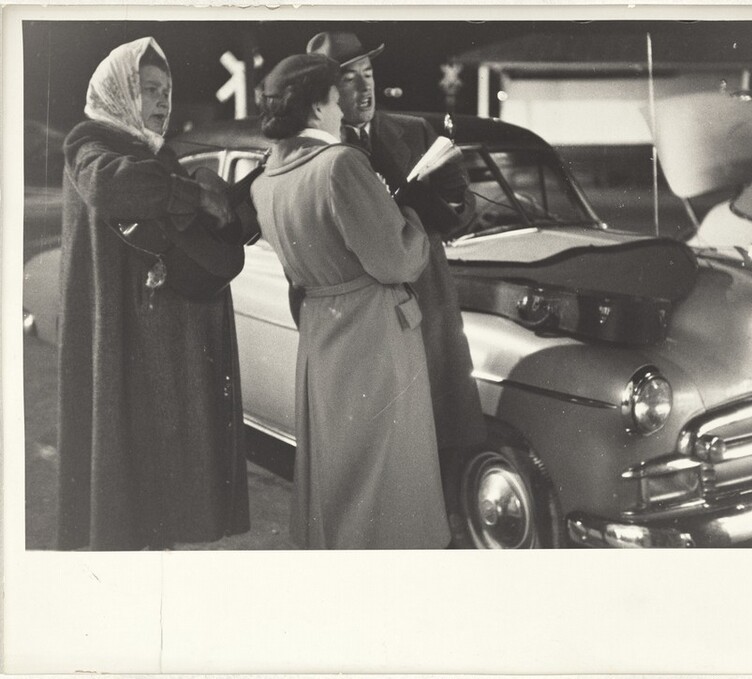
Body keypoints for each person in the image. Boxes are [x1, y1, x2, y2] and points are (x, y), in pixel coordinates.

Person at [250, 53, 450, 549]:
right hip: (372, 333)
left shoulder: (266, 179)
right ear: (318, 106)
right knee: (388, 476)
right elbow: (399, 260)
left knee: (338, 468)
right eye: (336, 97)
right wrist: (412, 214)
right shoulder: (340, 165)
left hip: (321, 328)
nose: (344, 107)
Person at [57, 37, 250, 550]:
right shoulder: (89, 144)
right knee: (131, 466)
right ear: (119, 91)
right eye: (149, 90)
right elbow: (109, 186)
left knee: (159, 469)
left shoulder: (152, 150)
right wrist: (193, 193)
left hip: (153, 339)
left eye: (167, 90)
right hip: (127, 337)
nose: (162, 102)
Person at [306, 32, 486, 500]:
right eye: (348, 81)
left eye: (368, 75)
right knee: (379, 456)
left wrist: (449, 198)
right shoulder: (316, 153)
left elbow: (461, 215)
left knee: (441, 433)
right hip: (364, 327)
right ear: (324, 95)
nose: (364, 90)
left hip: (429, 305)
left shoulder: (414, 131)